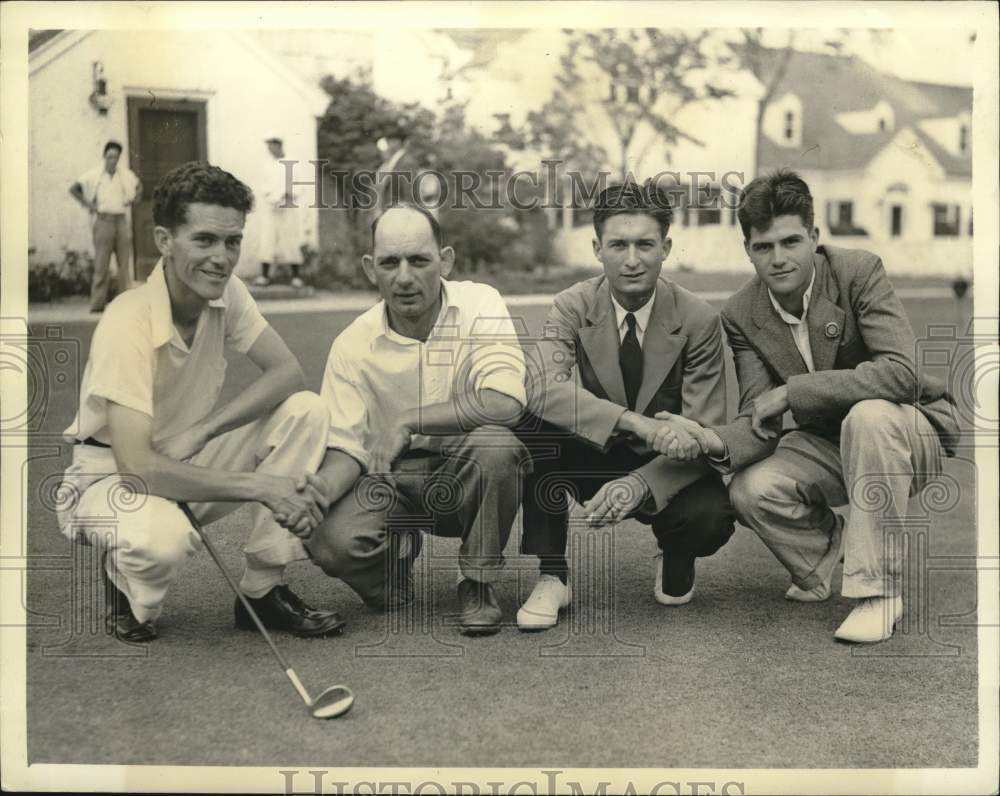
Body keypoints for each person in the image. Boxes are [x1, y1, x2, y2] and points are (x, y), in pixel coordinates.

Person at [667, 169, 960, 644]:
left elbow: (901, 374)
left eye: (791, 242)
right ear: (748, 250)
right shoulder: (741, 313)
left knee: (870, 415)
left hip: (909, 433)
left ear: (815, 237)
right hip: (830, 444)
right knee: (750, 488)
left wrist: (794, 392)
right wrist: (711, 440)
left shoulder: (859, 271)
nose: (779, 259)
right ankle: (829, 550)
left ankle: (879, 593)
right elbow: (757, 418)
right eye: (763, 247)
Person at [57, 161, 344, 643]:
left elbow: (287, 373)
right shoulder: (127, 320)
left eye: (232, 241)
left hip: (186, 458)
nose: (222, 258)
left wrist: (205, 430)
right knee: (160, 542)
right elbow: (138, 469)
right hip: (110, 481)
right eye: (205, 240)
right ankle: (121, 581)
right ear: (166, 241)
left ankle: (261, 589)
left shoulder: (228, 294)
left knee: (306, 409)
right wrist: (262, 487)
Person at [515, 180, 736, 631]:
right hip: (604, 445)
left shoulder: (698, 318)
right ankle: (552, 574)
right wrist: (635, 424)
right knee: (533, 423)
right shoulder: (572, 305)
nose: (632, 259)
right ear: (597, 248)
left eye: (644, 245)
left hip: (667, 463)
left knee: (711, 515)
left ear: (666, 247)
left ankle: (675, 551)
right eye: (618, 244)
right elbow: (541, 388)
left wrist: (638, 484)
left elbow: (704, 428)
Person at [304, 204, 529, 636]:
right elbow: (346, 448)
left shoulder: (480, 303)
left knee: (498, 446)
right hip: (390, 481)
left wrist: (409, 420)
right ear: (371, 269)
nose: (404, 277)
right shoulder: (352, 344)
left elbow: (504, 403)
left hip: (465, 472)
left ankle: (477, 583)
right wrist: (316, 496)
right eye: (390, 262)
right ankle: (393, 566)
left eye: (419, 260)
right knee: (330, 542)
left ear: (445, 260)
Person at [69, 141, 141, 312]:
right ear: (104, 157)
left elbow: (139, 187)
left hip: (121, 220)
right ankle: (97, 304)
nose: (113, 160)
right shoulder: (95, 175)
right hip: (103, 221)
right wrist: (89, 206)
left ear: (118, 158)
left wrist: (133, 199)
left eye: (116, 157)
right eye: (109, 156)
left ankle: (125, 304)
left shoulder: (125, 175)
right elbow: (74, 189)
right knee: (102, 263)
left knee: (124, 263)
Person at [252, 137, 306, 289]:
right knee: (267, 239)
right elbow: (264, 187)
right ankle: (264, 276)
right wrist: (273, 198)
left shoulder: (293, 164)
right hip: (272, 208)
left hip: (289, 207)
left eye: (272, 146)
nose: (270, 150)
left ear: (279, 145)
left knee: (291, 239)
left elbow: (300, 186)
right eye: (268, 147)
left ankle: (296, 277)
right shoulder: (267, 166)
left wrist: (289, 194)